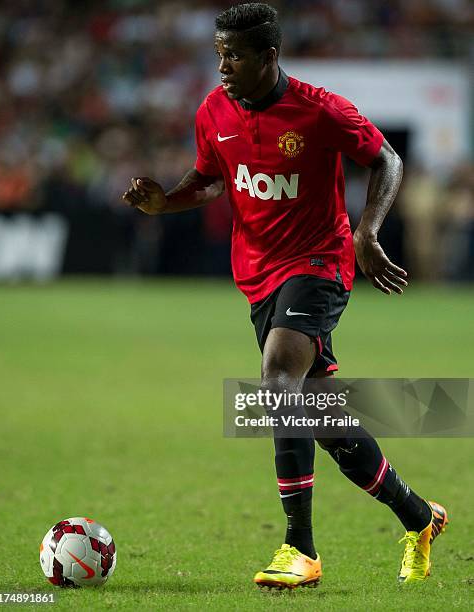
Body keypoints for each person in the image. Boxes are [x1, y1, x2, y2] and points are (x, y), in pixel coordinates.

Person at [122, 2, 447, 589]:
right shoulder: (213, 110)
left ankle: (300, 549)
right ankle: (419, 517)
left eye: (235, 56)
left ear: (269, 55)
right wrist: (164, 202)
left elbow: (387, 160)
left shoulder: (320, 111)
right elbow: (212, 177)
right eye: (219, 54)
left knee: (278, 383)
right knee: (322, 420)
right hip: (258, 277)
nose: (223, 67)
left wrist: (368, 231)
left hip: (319, 263)